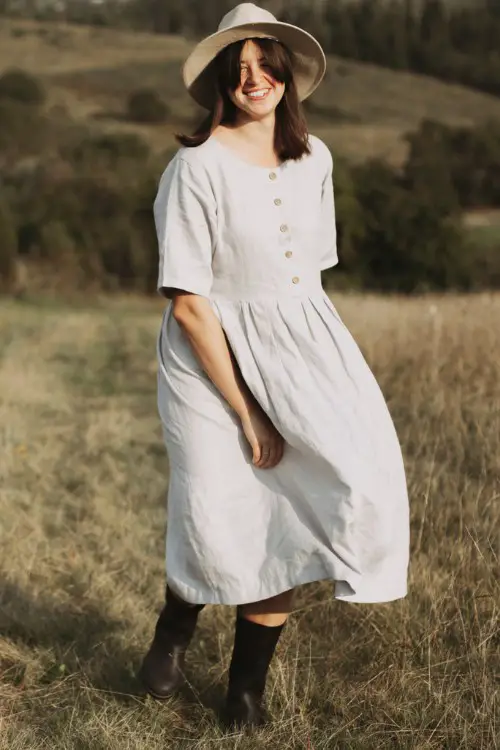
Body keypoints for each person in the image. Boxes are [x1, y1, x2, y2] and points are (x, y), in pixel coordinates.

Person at [139, 2, 410, 729]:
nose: (255, 78)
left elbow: (305, 279)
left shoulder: (315, 157)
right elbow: (190, 302)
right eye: (240, 69)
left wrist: (317, 380)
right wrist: (250, 411)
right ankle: (175, 625)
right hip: (209, 355)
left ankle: (244, 696)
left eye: (267, 66)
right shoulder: (194, 168)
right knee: (216, 503)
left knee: (307, 505)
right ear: (224, 85)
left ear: (287, 77)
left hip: (296, 345)